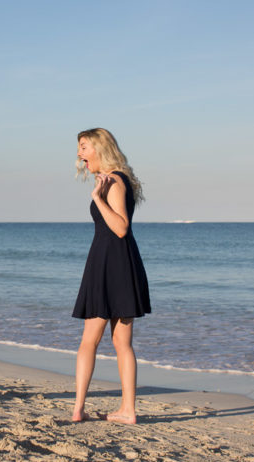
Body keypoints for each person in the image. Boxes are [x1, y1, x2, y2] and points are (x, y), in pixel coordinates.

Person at [71, 128, 151, 424]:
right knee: (120, 343)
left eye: (83, 147)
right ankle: (126, 410)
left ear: (99, 148)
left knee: (92, 341)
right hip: (113, 262)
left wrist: (97, 197)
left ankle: (81, 409)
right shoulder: (114, 179)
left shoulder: (115, 180)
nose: (79, 153)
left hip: (112, 263)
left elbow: (120, 228)